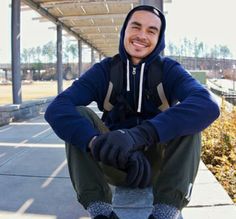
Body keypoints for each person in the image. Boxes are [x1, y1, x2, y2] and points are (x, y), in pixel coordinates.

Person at [45, 5, 220, 219]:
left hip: (160, 168)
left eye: (151, 31)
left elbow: (208, 104)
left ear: (159, 38)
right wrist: (97, 142)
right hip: (112, 161)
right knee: (78, 115)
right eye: (135, 27)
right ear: (124, 31)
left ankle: (166, 213)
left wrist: (137, 136)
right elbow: (57, 108)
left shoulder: (170, 70)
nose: (141, 35)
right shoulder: (104, 70)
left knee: (191, 120)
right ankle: (100, 212)